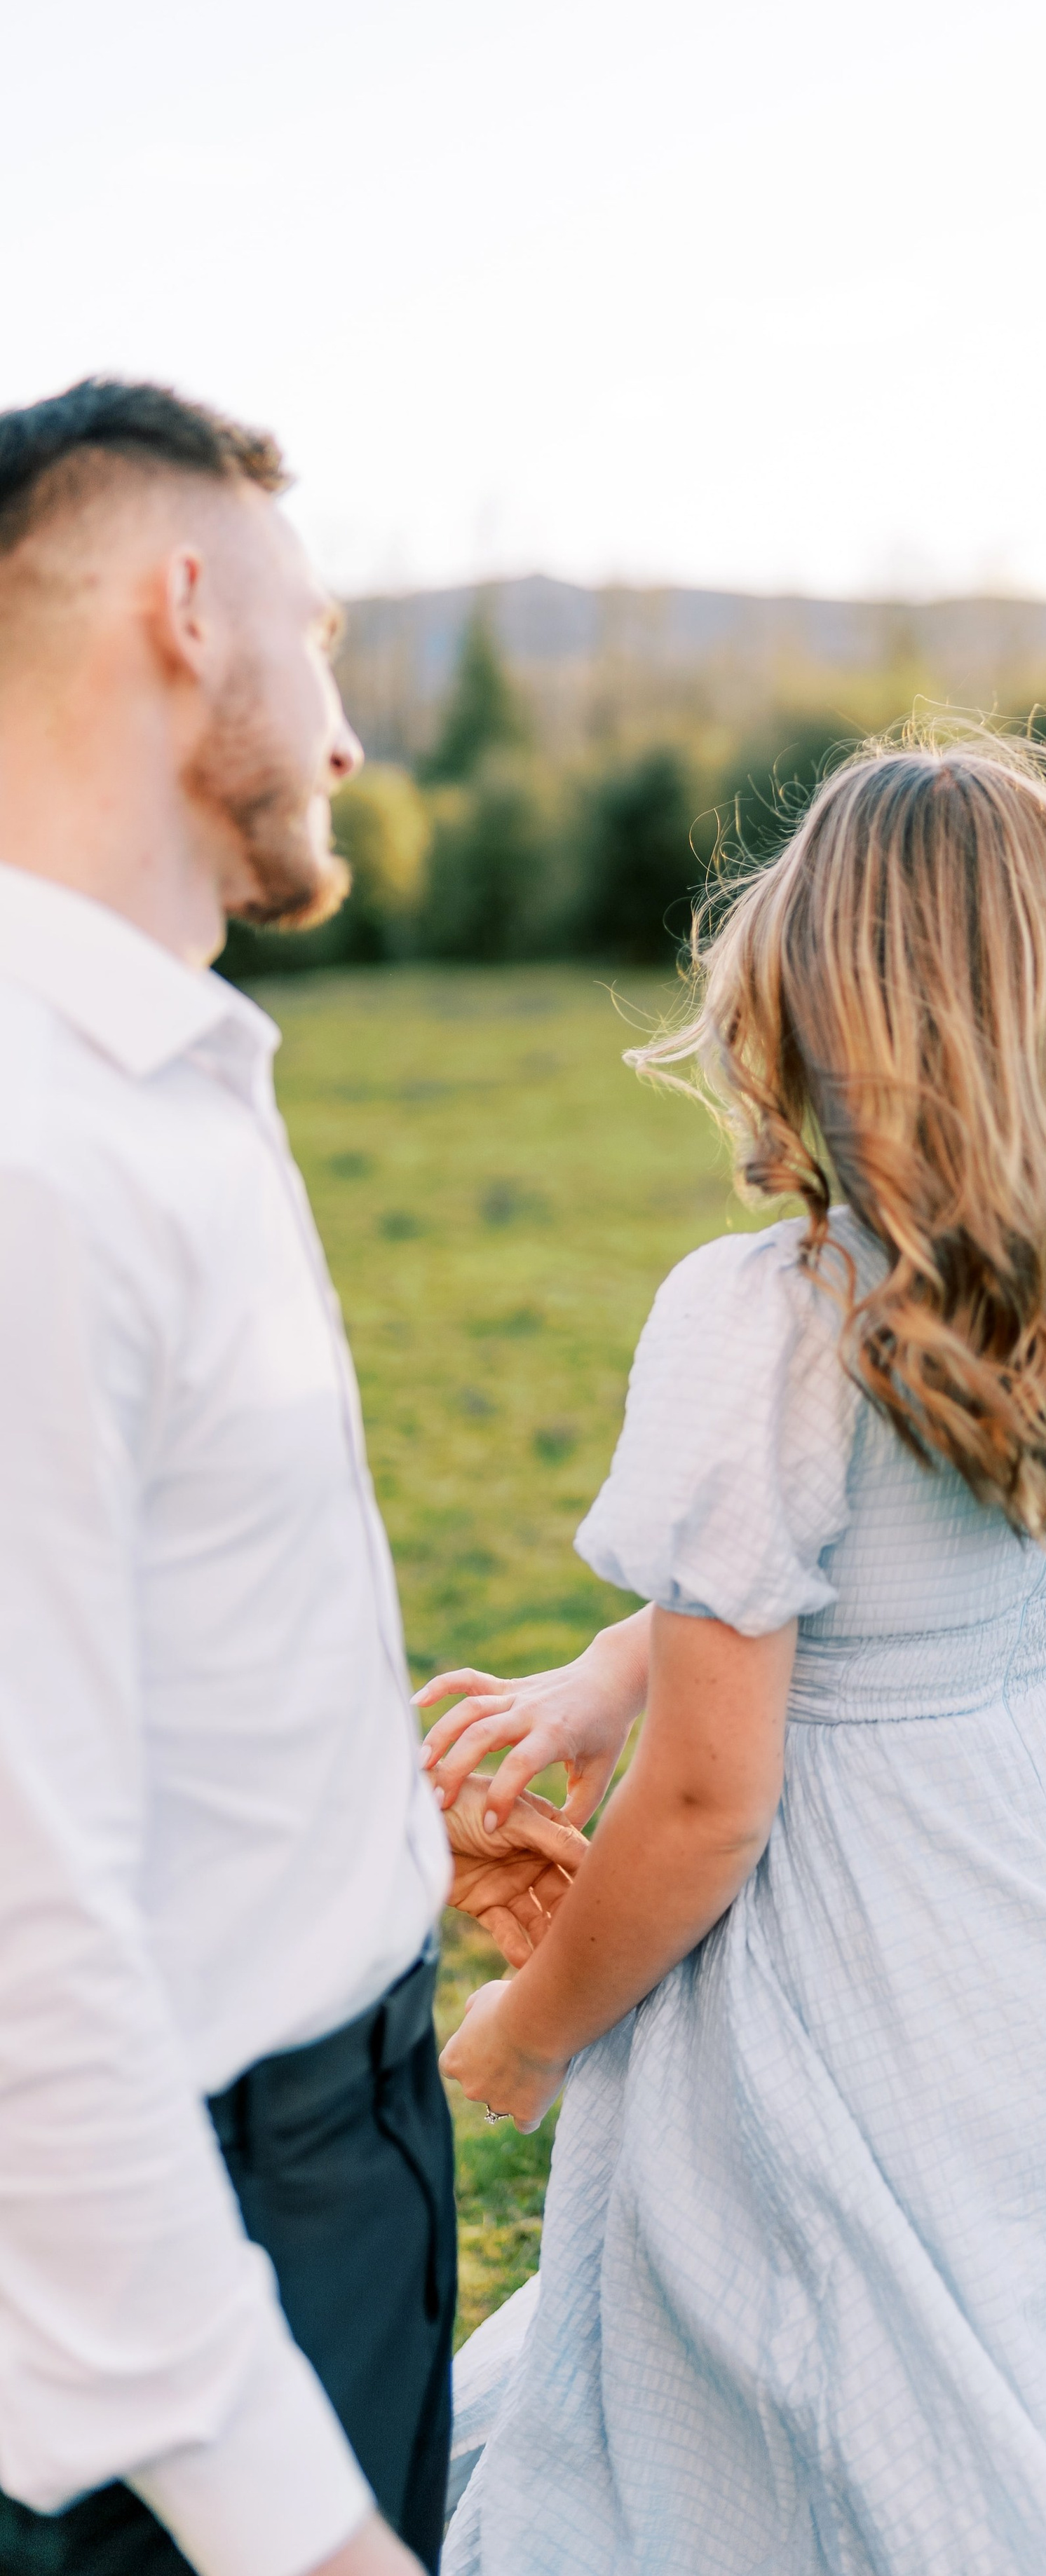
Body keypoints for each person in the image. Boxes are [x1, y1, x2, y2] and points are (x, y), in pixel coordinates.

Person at [419, 734, 1046, 2575]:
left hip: (833, 1976)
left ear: (814, 1012)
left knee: (789, 2411)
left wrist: (526, 2032)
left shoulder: (763, 1319)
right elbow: (881, 1612)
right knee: (1008, 2388)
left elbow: (708, 1800)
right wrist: (616, 1668)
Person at [0, 380, 459, 2576]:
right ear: (189, 605)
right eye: (323, 635)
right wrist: (284, 2517)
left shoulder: (155, 1067)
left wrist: (377, 1831)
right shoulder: (27, 1147)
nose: (345, 732)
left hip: (342, 2144)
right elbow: (20, 1910)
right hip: (188, 2289)